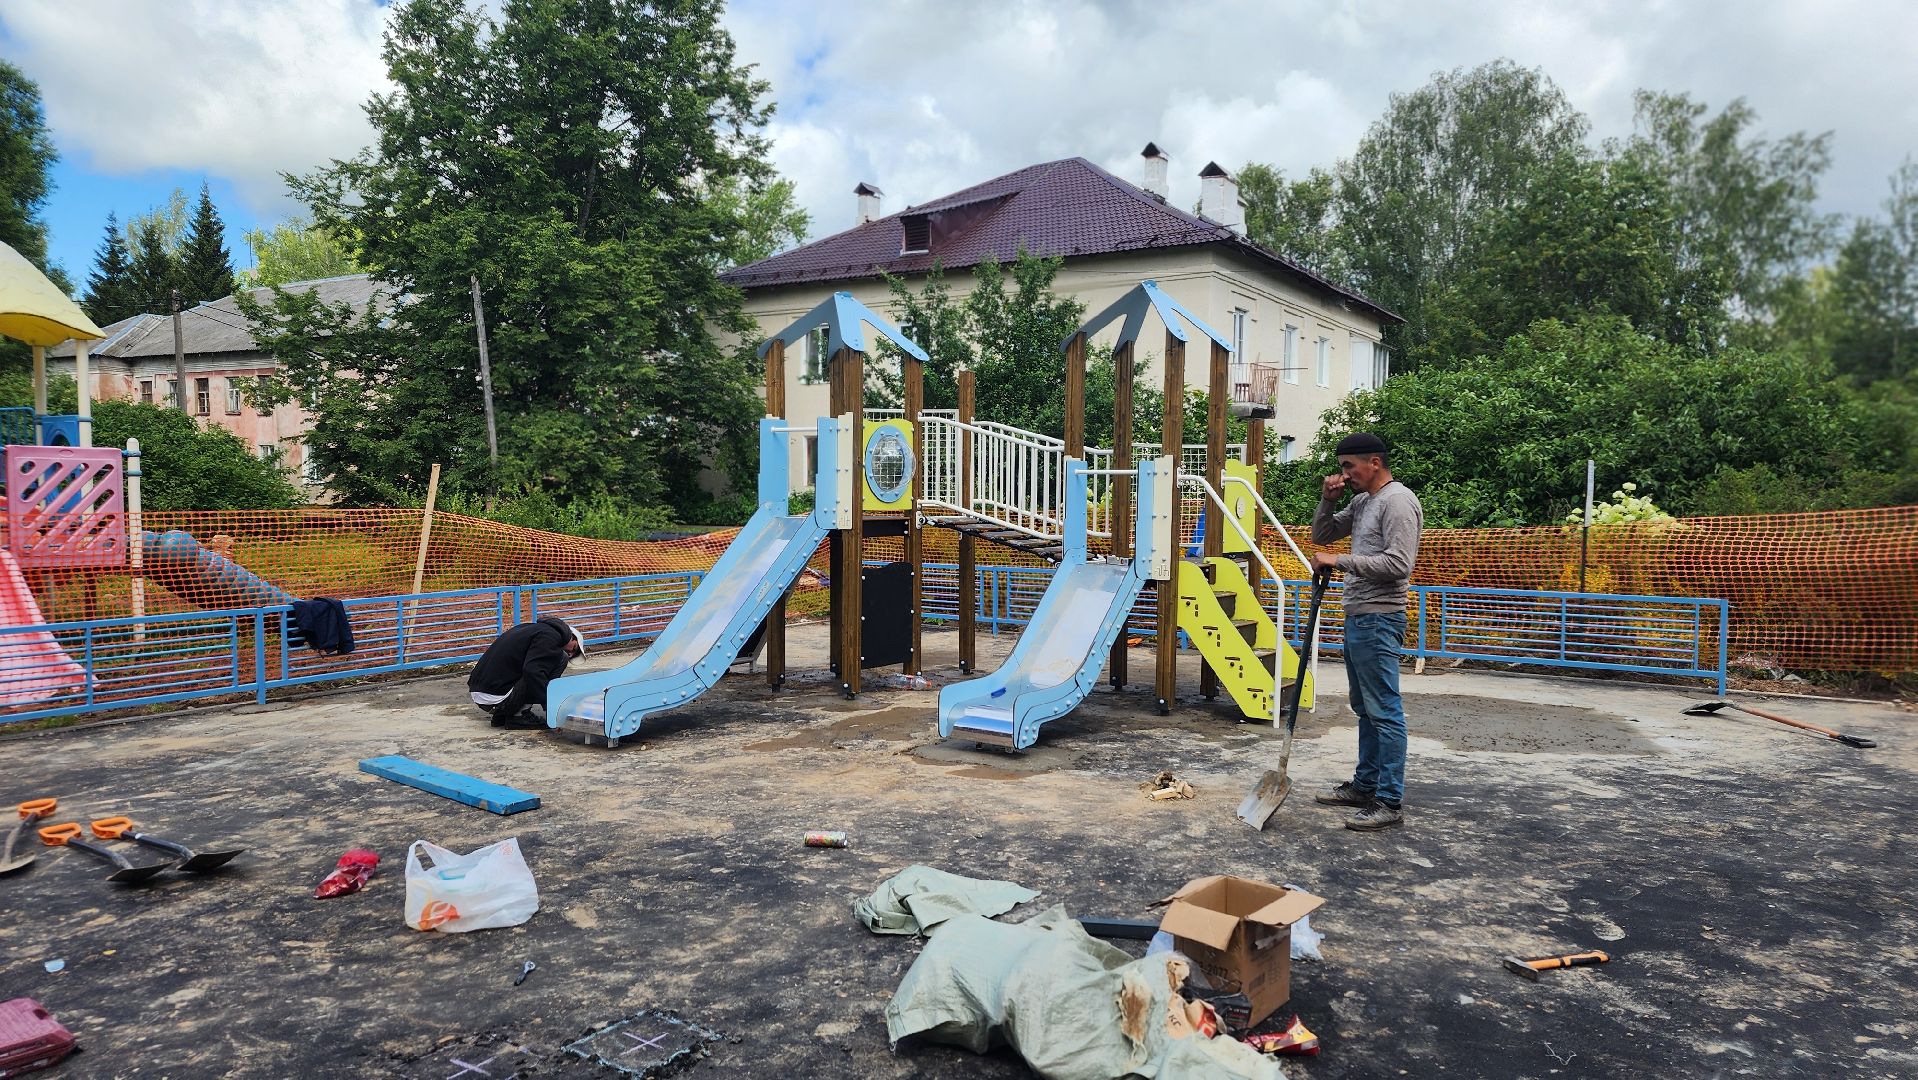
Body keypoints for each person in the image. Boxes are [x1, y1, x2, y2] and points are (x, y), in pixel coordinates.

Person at [1308, 432, 1423, 831]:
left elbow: (1398, 564)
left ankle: (1389, 801)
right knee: (1365, 708)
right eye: (1342, 468)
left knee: (1384, 711)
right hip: (1360, 616)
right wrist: (1328, 500)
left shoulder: (1397, 502)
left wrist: (1338, 561)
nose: (1344, 474)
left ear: (1374, 462)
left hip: (1380, 617)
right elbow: (1321, 536)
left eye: (1348, 467)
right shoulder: (1362, 502)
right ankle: (1365, 785)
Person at [467, 615, 587, 729]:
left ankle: (502, 715)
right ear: (571, 636)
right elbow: (533, 671)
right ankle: (519, 715)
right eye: (574, 648)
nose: (570, 653)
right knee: (560, 659)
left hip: (482, 694)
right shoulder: (550, 637)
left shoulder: (530, 628)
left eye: (573, 654)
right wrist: (550, 705)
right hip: (497, 698)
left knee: (534, 664)